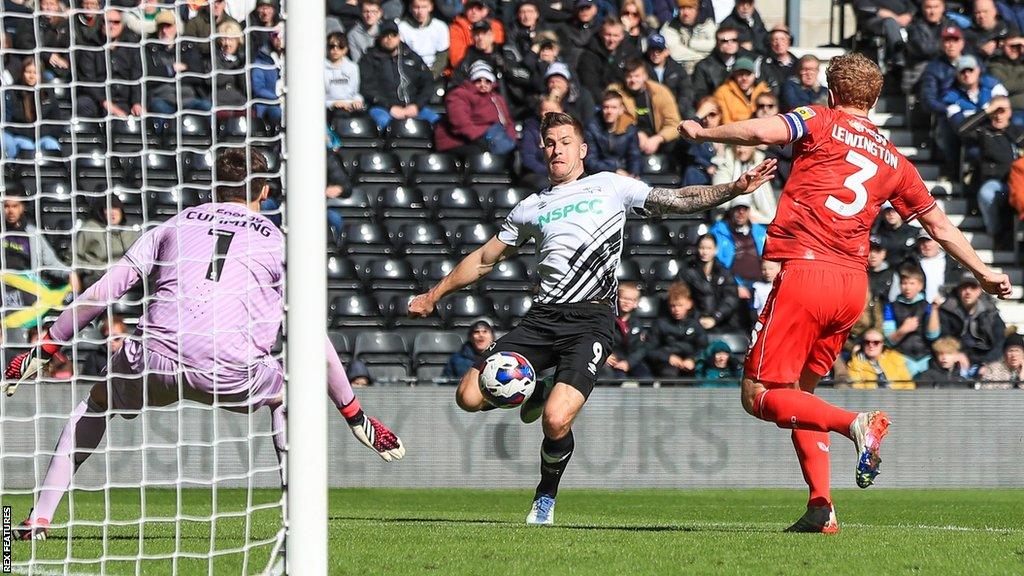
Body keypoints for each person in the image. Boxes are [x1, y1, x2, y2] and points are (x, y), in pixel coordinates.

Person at [678, 51, 1012, 533]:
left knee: (757, 395)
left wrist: (704, 132)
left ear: (833, 92)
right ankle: (821, 507)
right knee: (801, 395)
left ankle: (856, 422)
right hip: (853, 287)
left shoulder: (821, 119)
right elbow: (938, 224)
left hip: (807, 274)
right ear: (874, 100)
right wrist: (981, 271)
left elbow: (761, 132)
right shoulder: (895, 157)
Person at [5, 148, 405, 541]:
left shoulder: (173, 224)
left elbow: (105, 289)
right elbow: (311, 336)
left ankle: (39, 519)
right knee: (288, 396)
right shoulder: (283, 244)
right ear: (264, 191)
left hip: (152, 359)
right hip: (231, 370)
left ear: (215, 188)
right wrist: (353, 413)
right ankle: (297, 521)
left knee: (94, 404)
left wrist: (46, 348)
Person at [408, 110, 776, 526]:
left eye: (565, 141)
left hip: (592, 319)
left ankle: (545, 496)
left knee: (556, 419)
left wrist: (733, 188)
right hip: (542, 318)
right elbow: (484, 259)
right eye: (549, 143)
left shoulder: (610, 186)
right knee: (469, 397)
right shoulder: (530, 208)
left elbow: (676, 200)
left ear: (582, 150)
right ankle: (539, 386)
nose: (556, 149)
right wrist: (433, 293)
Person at [958, 96, 1024, 241]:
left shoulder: (1017, 131)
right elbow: (961, 130)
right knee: (986, 193)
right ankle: (996, 233)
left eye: (1002, 111)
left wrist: (1009, 130)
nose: (998, 115)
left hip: (1019, 182)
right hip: (997, 182)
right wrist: (986, 110)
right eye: (995, 111)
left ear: (1010, 112)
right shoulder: (984, 132)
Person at [359, 20, 439, 130]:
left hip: (413, 106)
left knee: (436, 121)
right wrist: (390, 107)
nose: (390, 39)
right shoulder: (369, 59)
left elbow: (427, 83)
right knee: (384, 122)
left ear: (399, 36)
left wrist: (417, 105)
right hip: (383, 108)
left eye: (393, 35)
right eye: (386, 35)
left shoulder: (412, 56)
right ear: (379, 37)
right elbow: (367, 88)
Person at [2, 191, 81, 296]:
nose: (10, 211)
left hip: (27, 290)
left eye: (15, 206)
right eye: (6, 206)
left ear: (22, 207)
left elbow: (51, 262)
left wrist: (69, 273)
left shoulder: (34, 234)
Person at [434, 61, 518, 157]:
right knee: (481, 154)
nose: (483, 84)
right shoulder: (459, 95)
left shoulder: (497, 99)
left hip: (491, 138)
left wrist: (511, 140)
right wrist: (482, 137)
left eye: (487, 81)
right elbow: (460, 123)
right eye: (478, 80)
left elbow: (508, 122)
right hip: (458, 142)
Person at [76, 8, 143, 119]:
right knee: (83, 103)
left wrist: (137, 102)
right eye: (107, 22)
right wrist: (107, 104)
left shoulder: (132, 45)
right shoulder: (90, 46)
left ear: (122, 24)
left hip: (124, 99)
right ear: (100, 23)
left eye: (116, 22)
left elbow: (137, 76)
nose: (111, 26)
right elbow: (88, 81)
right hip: (98, 100)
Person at [607, 58, 681, 154]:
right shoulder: (616, 92)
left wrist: (658, 138)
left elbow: (673, 123)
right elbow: (612, 120)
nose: (633, 80)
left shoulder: (660, 92)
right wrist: (635, 134)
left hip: (657, 139)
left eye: (637, 76)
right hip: (628, 140)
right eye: (629, 77)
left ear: (645, 76)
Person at [143, 10, 210, 114]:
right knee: (161, 109)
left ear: (175, 28)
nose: (165, 31)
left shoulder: (187, 47)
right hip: (161, 97)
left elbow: (197, 74)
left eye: (168, 26)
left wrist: (166, 75)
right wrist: (171, 69)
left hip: (187, 97)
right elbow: (148, 75)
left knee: (206, 106)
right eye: (162, 27)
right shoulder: (148, 48)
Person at [938, 272, 1007, 370]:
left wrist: (987, 363)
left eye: (973, 287)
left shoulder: (991, 312)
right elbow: (943, 338)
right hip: (955, 360)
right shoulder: (947, 310)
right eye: (964, 287)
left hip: (986, 359)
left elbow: (1000, 341)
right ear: (958, 290)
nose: (968, 292)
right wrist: (956, 355)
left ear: (980, 291)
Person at [881, 264, 941, 374]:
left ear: (920, 286)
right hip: (900, 357)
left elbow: (933, 335)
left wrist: (934, 310)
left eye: (912, 283)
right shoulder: (891, 307)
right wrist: (903, 330)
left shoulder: (927, 306)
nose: (907, 287)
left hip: (925, 358)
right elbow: (889, 341)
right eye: (904, 283)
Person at [2, 57, 64, 159]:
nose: (31, 76)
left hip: (42, 137)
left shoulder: (48, 94)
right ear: (22, 73)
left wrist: (38, 133)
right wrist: (28, 133)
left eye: (35, 73)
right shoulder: (12, 93)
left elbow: (56, 124)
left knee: (52, 145)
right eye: (28, 72)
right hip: (19, 136)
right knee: (27, 145)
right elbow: (7, 124)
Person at [709, 200, 766, 310]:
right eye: (737, 209)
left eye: (744, 209)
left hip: (761, 285)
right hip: (732, 286)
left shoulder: (761, 232)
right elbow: (717, 264)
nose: (741, 213)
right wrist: (736, 285)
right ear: (731, 211)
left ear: (749, 212)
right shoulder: (718, 232)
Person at [75, 196, 141, 290]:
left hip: (127, 283)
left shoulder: (131, 232)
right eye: (108, 209)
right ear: (101, 211)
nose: (112, 212)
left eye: (115, 208)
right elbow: (75, 262)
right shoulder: (91, 228)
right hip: (98, 282)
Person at [644, 282, 708, 379]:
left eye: (680, 305)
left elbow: (703, 347)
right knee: (669, 373)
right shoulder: (660, 324)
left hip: (689, 364)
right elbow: (649, 349)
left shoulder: (695, 325)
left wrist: (693, 360)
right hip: (667, 365)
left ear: (689, 304)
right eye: (673, 306)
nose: (676, 309)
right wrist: (668, 358)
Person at [681, 234, 741, 332]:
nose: (704, 252)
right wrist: (698, 318)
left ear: (715, 250)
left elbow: (730, 299)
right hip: (695, 323)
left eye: (708, 248)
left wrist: (716, 317)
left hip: (722, 323)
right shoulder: (687, 272)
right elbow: (682, 298)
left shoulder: (724, 273)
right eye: (702, 248)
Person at [577, 18, 639, 102]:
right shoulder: (589, 55)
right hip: (602, 102)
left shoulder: (630, 52)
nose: (611, 40)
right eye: (608, 35)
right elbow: (590, 86)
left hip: (626, 98)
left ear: (622, 36)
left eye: (616, 36)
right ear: (601, 33)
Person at [583, 89, 642, 177]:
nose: (609, 112)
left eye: (614, 107)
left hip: (625, 174)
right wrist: (614, 170)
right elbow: (590, 161)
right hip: (600, 174)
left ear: (621, 109)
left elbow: (634, 156)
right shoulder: (592, 127)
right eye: (606, 107)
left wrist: (634, 174)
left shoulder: (629, 128)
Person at [712, 145, 777, 223]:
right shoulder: (724, 164)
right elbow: (721, 201)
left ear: (753, 147)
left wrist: (752, 214)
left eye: (745, 146)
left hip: (755, 218)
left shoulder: (759, 163)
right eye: (738, 146)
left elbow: (767, 204)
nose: (742, 150)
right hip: (728, 218)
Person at [903, 0, 954, 94]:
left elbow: (960, 46)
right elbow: (923, 49)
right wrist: (945, 46)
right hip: (919, 75)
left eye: (936, 7)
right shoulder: (914, 27)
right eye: (928, 7)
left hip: (945, 70)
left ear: (943, 7)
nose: (932, 11)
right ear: (922, 8)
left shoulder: (951, 24)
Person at [604, 281, 650, 378]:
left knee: (646, 379)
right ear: (617, 299)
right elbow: (601, 340)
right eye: (624, 298)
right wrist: (605, 356)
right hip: (613, 363)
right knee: (619, 380)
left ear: (636, 303)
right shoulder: (608, 320)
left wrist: (629, 363)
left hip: (633, 362)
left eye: (631, 300)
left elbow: (642, 348)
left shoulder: (638, 323)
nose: (627, 302)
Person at [643, 32, 694, 119]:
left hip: (675, 110)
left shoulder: (677, 69)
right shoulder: (642, 68)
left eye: (659, 50)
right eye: (652, 50)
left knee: (691, 114)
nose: (655, 54)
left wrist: (677, 110)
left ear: (667, 51)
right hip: (651, 111)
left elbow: (686, 92)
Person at [660, 0, 716, 75]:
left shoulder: (708, 25)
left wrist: (690, 43)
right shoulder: (669, 27)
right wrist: (704, 56)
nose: (686, 13)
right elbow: (675, 52)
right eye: (682, 8)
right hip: (681, 72)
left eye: (690, 8)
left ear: (698, 9)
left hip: (707, 71)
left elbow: (715, 45)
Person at [845, 329, 915, 389]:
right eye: (867, 342)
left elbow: (908, 384)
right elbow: (857, 390)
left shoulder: (894, 358)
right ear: (863, 344)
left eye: (876, 342)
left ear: (882, 344)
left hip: (898, 400)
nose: (871, 345)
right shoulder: (855, 364)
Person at [448, 0, 505, 73]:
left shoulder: (495, 26)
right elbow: (457, 60)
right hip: (467, 71)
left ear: (485, 10)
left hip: (492, 69)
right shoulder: (456, 28)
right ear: (465, 9)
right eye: (470, 7)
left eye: (478, 8)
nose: (474, 12)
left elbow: (498, 50)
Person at [398, 0, 450, 80]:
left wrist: (433, 73)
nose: (420, 11)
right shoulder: (402, 27)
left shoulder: (440, 26)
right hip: (411, 71)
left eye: (424, 7)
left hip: (433, 70)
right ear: (410, 8)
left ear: (430, 7)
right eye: (416, 7)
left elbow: (442, 55)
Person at [324, 32, 365, 132]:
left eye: (340, 47)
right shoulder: (320, 68)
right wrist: (333, 103)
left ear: (345, 49)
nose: (335, 50)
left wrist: (357, 101)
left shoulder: (352, 68)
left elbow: (355, 92)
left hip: (350, 106)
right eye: (332, 46)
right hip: (329, 108)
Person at [692, 25, 743, 103]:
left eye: (734, 40)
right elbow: (699, 92)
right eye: (724, 41)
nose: (730, 43)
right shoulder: (704, 66)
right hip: (718, 104)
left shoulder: (747, 61)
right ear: (717, 43)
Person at [853, 0, 915, 65]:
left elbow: (912, 6)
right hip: (876, 20)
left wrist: (909, 15)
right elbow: (861, 5)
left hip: (905, 20)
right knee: (890, 23)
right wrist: (881, 11)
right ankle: (899, 58)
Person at [713, 56, 772, 124]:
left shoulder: (763, 91)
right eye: (740, 74)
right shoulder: (723, 93)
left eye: (748, 74)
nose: (744, 78)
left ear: (754, 75)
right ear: (734, 75)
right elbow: (725, 122)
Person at [988, 33, 1024, 126]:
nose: (1014, 49)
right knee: (1018, 122)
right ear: (1003, 45)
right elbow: (1003, 87)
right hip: (1014, 109)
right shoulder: (995, 64)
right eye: (1011, 46)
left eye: (1018, 46)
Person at [759, 24, 797, 95]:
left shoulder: (798, 64)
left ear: (789, 42)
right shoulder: (764, 64)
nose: (779, 43)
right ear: (770, 43)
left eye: (783, 39)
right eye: (775, 40)